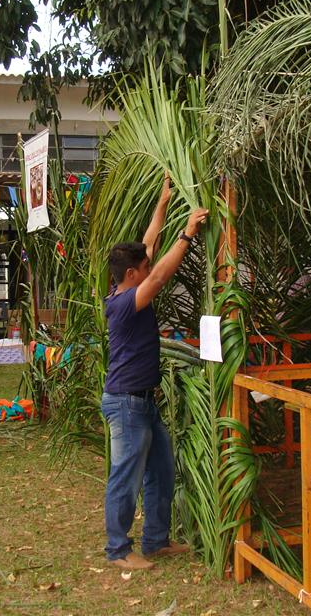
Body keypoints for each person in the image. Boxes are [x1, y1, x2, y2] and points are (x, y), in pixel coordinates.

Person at [102, 175, 208, 571]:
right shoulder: (127, 302)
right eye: (142, 266)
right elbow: (160, 274)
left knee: (160, 472)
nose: (148, 266)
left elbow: (149, 245)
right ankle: (117, 550)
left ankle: (156, 541)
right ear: (132, 274)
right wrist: (187, 234)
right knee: (125, 479)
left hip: (143, 401)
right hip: (126, 404)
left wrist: (162, 203)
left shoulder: (128, 284)